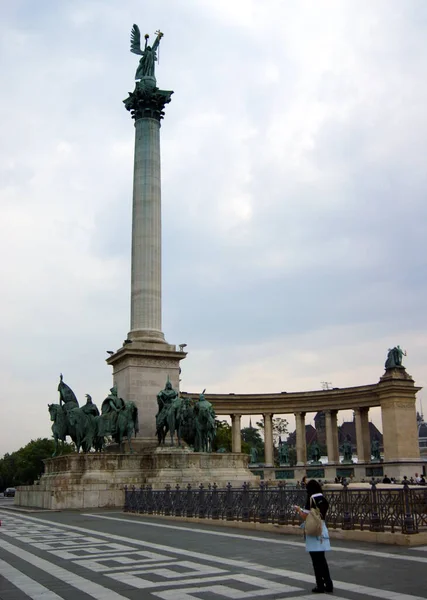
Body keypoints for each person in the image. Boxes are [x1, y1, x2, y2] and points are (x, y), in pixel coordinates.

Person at [294, 479, 333, 594]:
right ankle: (329, 584)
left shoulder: (311, 499)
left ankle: (320, 585)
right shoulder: (323, 498)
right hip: (322, 529)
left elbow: (305, 516)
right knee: (322, 560)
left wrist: (299, 510)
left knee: (316, 561)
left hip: (313, 532)